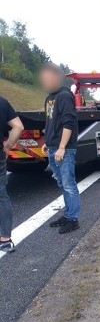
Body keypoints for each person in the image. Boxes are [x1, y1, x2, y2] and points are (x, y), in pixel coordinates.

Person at [39, 63, 80, 234]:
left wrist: (62, 147)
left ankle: (73, 219)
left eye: (48, 77)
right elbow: (51, 123)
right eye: (44, 78)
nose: (45, 81)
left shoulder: (64, 96)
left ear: (56, 77)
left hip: (64, 149)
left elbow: (68, 123)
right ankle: (68, 214)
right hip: (53, 147)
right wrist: (48, 142)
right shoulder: (50, 98)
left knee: (69, 184)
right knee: (62, 183)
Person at [0, 96, 24, 253]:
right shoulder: (2, 102)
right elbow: (18, 127)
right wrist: (8, 146)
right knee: (1, 196)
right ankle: (5, 240)